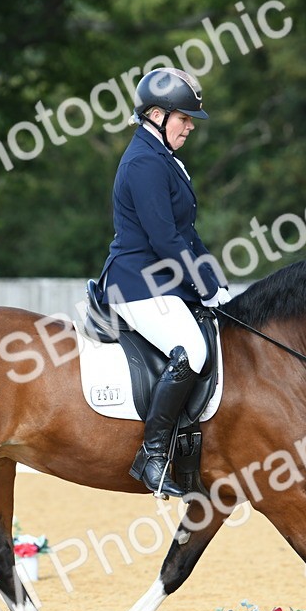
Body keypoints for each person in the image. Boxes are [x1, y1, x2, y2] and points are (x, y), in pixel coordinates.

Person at [96, 67, 228, 498]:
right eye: (184, 118)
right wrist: (203, 287)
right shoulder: (144, 162)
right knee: (191, 349)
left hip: (162, 282)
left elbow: (188, 234)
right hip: (136, 283)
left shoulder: (164, 159)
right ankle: (152, 457)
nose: (190, 126)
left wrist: (216, 282)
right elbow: (164, 239)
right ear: (156, 115)